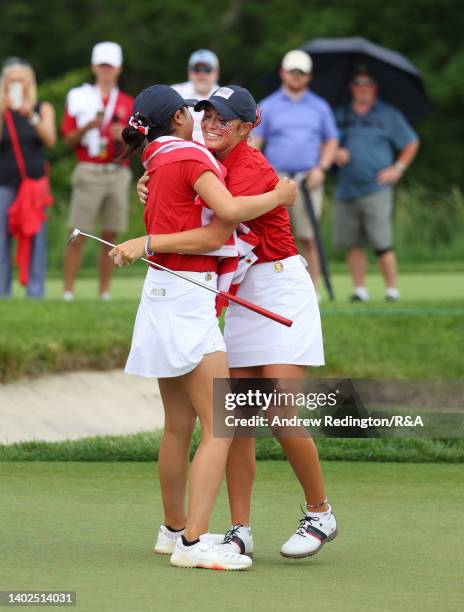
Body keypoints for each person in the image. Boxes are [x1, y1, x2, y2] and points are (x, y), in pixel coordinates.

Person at [133, 85, 338, 561]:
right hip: (241, 294)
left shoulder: (249, 168)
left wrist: (151, 228)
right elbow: (180, 177)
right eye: (205, 114)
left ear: (247, 127)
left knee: (280, 411)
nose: (209, 124)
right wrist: (147, 182)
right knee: (237, 418)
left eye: (222, 119)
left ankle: (319, 512)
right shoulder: (203, 155)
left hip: (281, 288)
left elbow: (217, 217)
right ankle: (239, 528)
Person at [252, 49, 338, 294]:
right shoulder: (268, 105)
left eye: (302, 73)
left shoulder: (319, 107)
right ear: (283, 73)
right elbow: (255, 143)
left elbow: (330, 141)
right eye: (292, 71)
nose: (297, 76)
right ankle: (280, 289)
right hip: (276, 179)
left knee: (308, 236)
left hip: (309, 178)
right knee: (273, 236)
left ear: (309, 76)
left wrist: (322, 168)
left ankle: (312, 290)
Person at [333, 65, 420, 302]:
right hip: (346, 189)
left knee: (382, 243)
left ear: (375, 87)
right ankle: (360, 290)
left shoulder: (388, 114)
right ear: (352, 87)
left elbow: (411, 143)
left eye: (367, 83)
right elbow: (326, 142)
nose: (363, 88)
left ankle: (392, 290)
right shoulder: (341, 115)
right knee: (352, 244)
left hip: (376, 188)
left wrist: (397, 169)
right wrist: (334, 153)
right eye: (358, 83)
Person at [61, 42, 133, 301]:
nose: (106, 70)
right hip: (89, 168)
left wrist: (124, 136)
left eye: (110, 66)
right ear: (94, 67)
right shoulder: (80, 98)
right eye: (102, 65)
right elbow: (67, 141)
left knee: (110, 235)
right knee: (77, 232)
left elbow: (137, 145)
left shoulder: (127, 102)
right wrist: (86, 129)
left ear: (118, 69)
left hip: (116, 170)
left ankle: (104, 293)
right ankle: (68, 292)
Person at [0, 57, 56, 299]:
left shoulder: (41, 108)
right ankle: (3, 294)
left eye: (20, 80)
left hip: (33, 187)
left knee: (36, 240)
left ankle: (36, 294)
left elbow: (50, 140)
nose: (15, 84)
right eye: (10, 80)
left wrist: (30, 116)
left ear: (28, 83)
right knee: (2, 241)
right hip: (4, 184)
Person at [172, 49, 220, 143]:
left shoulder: (226, 96)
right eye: (196, 69)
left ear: (216, 72)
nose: (201, 74)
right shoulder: (174, 93)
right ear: (189, 72)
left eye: (207, 69)